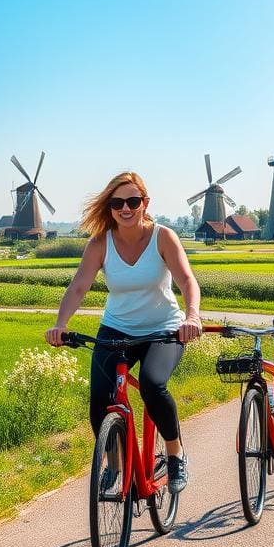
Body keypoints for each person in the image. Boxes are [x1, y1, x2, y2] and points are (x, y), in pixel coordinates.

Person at [45, 172, 203, 493]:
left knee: (152, 384)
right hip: (117, 329)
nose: (125, 208)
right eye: (117, 203)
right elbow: (78, 287)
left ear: (145, 203)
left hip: (163, 331)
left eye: (133, 201)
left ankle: (175, 454)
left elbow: (187, 280)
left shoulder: (163, 237)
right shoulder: (100, 243)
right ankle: (115, 465)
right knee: (99, 401)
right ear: (110, 207)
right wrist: (61, 325)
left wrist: (192, 316)